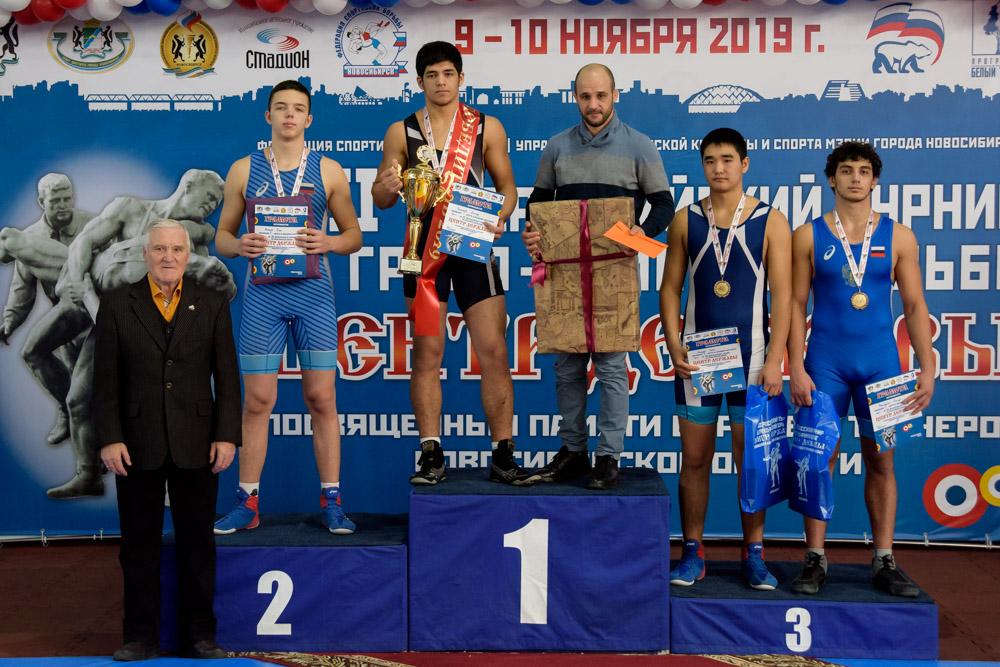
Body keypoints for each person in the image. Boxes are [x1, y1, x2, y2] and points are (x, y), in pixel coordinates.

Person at [372, 42, 527, 486]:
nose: (440, 82)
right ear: (419, 81)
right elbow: (381, 199)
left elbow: (508, 188)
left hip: (473, 246)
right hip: (423, 255)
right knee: (427, 354)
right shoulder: (401, 131)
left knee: (494, 351)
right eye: (432, 75)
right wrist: (386, 184)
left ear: (461, 78)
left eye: (447, 73)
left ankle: (503, 454)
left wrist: (500, 215)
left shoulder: (485, 126)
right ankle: (431, 454)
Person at [213, 80, 363, 534]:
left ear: (309, 118)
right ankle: (247, 502)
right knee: (258, 401)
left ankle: (332, 501)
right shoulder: (243, 169)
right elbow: (221, 238)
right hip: (263, 297)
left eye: (298, 108)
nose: (290, 115)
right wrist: (239, 245)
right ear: (268, 116)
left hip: (314, 295)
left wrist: (329, 242)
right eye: (281, 107)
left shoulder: (329, 170)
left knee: (321, 398)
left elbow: (354, 235)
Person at [787, 142, 934, 597]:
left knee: (881, 460)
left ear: (875, 180)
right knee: (819, 458)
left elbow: (914, 305)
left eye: (864, 171)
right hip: (824, 364)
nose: (855, 178)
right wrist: (795, 366)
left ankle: (884, 558)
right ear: (831, 179)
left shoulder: (900, 236)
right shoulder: (808, 235)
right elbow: (794, 303)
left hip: (882, 366)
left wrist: (927, 367)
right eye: (846, 170)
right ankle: (815, 556)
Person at [521, 63, 674, 490]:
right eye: (585, 96)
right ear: (575, 98)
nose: (594, 104)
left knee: (611, 369)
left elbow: (664, 202)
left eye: (601, 96)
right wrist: (532, 232)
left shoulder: (639, 146)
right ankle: (573, 451)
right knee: (567, 368)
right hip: (564, 274)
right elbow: (538, 202)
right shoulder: (556, 146)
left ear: (615, 95)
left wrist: (644, 231)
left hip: (615, 272)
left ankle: (608, 457)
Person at [93, 219, 241, 661]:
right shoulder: (117, 304)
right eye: (160, 249)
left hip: (198, 442)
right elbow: (104, 383)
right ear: (145, 254)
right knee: (138, 546)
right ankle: (140, 637)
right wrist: (110, 438)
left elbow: (227, 378)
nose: (168, 257)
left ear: (187, 255)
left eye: (177, 249)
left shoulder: (212, 303)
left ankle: (199, 637)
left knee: (198, 544)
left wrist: (227, 435)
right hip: (135, 444)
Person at [658, 128, 792, 589]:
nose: (719, 168)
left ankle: (754, 554)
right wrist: (673, 343)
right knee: (694, 458)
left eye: (728, 159)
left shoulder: (771, 220)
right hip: (698, 359)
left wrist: (775, 360)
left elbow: (785, 296)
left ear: (745, 163)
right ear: (702, 165)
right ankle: (692, 552)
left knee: (749, 461)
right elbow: (670, 288)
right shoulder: (685, 219)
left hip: (753, 361)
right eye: (711, 160)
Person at [1, 174, 93, 446]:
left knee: (92, 385)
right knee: (38, 356)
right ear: (42, 202)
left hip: (95, 310)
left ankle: (100, 443)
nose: (63, 205)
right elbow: (22, 288)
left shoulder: (93, 226)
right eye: (56, 201)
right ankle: (67, 411)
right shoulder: (29, 239)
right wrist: (10, 321)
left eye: (67, 198)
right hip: (63, 315)